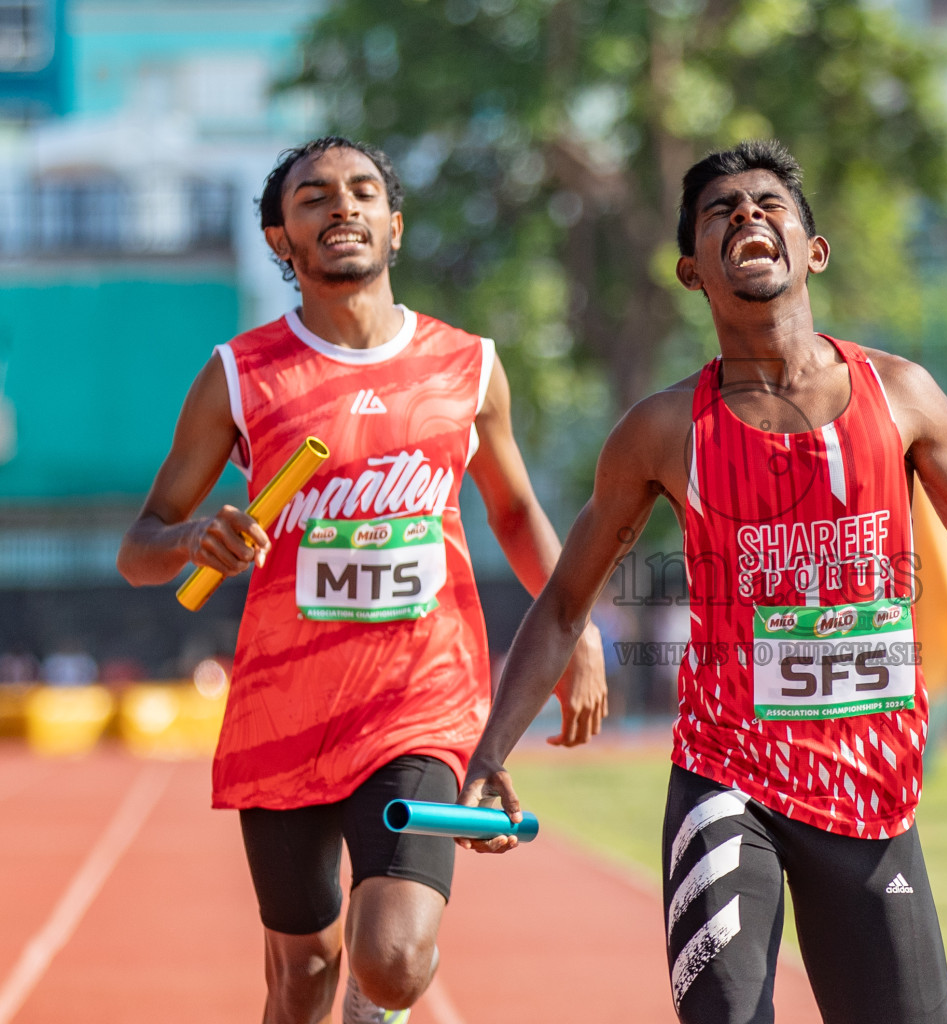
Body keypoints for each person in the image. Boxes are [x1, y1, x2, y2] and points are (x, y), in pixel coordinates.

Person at [456, 139, 947, 1023]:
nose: (747, 218)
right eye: (720, 211)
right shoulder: (659, 433)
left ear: (814, 249)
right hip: (729, 780)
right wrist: (491, 754)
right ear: (693, 270)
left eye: (769, 204)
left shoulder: (904, 396)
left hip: (872, 794)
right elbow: (566, 599)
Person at [117, 136, 606, 1024]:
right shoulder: (239, 375)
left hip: (418, 705)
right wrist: (193, 538)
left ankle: (374, 1005)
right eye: (314, 198)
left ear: (395, 224)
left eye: (363, 191)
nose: (343, 207)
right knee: (300, 984)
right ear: (280, 238)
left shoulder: (469, 366)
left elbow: (513, 513)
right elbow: (138, 546)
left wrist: (575, 627)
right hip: (283, 715)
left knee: (393, 961)